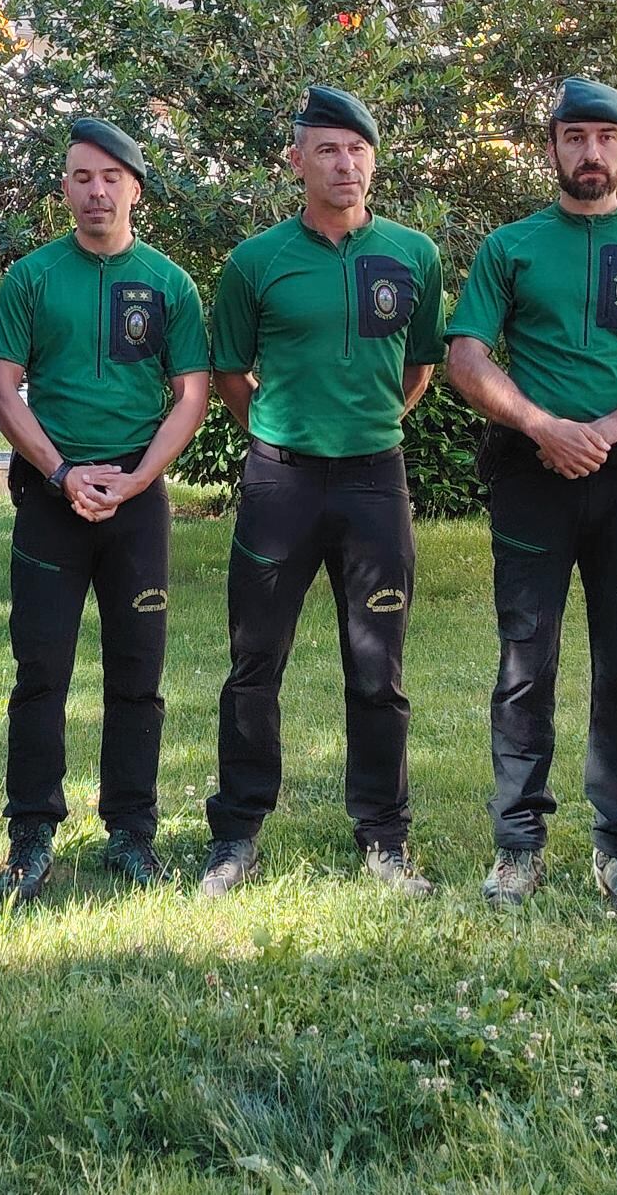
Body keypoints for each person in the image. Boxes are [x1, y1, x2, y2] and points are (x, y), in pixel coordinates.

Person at [444, 76, 617, 923]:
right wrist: (544, 427)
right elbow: (465, 359)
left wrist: (610, 424)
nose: (590, 152)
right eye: (575, 137)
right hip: (535, 480)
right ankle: (518, 847)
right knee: (526, 664)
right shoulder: (512, 247)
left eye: (606, 137)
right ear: (554, 147)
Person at [201, 86, 446, 898]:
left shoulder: (413, 255)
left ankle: (384, 837)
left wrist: (367, 423)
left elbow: (420, 370)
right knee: (253, 662)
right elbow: (232, 373)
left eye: (359, 150)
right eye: (329, 150)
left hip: (377, 481)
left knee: (379, 668)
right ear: (297, 161)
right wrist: (278, 431)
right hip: (281, 482)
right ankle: (236, 835)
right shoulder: (256, 261)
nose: (347, 165)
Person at [0, 118, 210, 900]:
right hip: (53, 499)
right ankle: (32, 831)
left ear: (135, 188)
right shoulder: (33, 277)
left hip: (137, 507)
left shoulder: (171, 284)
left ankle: (131, 831)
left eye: (110, 177)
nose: (95, 191)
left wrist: (141, 478)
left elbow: (191, 395)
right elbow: (2, 387)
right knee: (40, 668)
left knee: (138, 673)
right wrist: (63, 471)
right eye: (81, 177)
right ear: (66, 189)